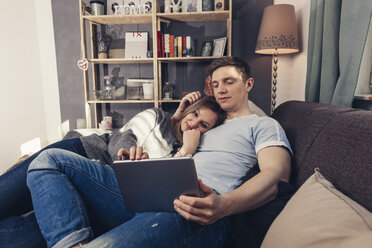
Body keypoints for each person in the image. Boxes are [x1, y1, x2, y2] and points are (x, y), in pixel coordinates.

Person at [26, 56, 293, 248]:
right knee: (49, 160)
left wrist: (224, 206)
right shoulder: (206, 126)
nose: (221, 89)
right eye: (216, 83)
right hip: (147, 192)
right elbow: (164, 135)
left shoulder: (262, 124)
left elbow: (275, 177)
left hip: (193, 207)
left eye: (230, 81)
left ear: (248, 84)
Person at [0, 95, 225, 248]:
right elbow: (122, 136)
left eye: (203, 125)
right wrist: (126, 155)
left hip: (96, 194)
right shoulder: (159, 117)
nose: (193, 123)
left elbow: (157, 187)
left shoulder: (185, 154)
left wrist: (186, 149)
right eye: (194, 114)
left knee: (24, 236)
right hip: (82, 154)